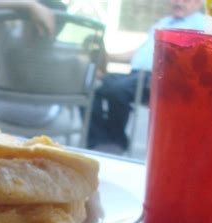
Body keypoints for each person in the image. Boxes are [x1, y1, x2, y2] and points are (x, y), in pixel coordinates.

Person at [87, 0, 205, 153]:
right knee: (92, 84)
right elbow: (138, 54)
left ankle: (116, 142)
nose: (178, 2)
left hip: (160, 78)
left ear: (198, 3)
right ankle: (100, 140)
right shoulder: (164, 22)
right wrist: (106, 57)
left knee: (118, 90)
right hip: (134, 75)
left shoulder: (201, 24)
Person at [0, 0, 66, 127]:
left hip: (0, 110)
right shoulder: (64, 54)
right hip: (42, 116)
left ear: (25, 20)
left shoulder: (5, 42)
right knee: (60, 108)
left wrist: (30, 5)